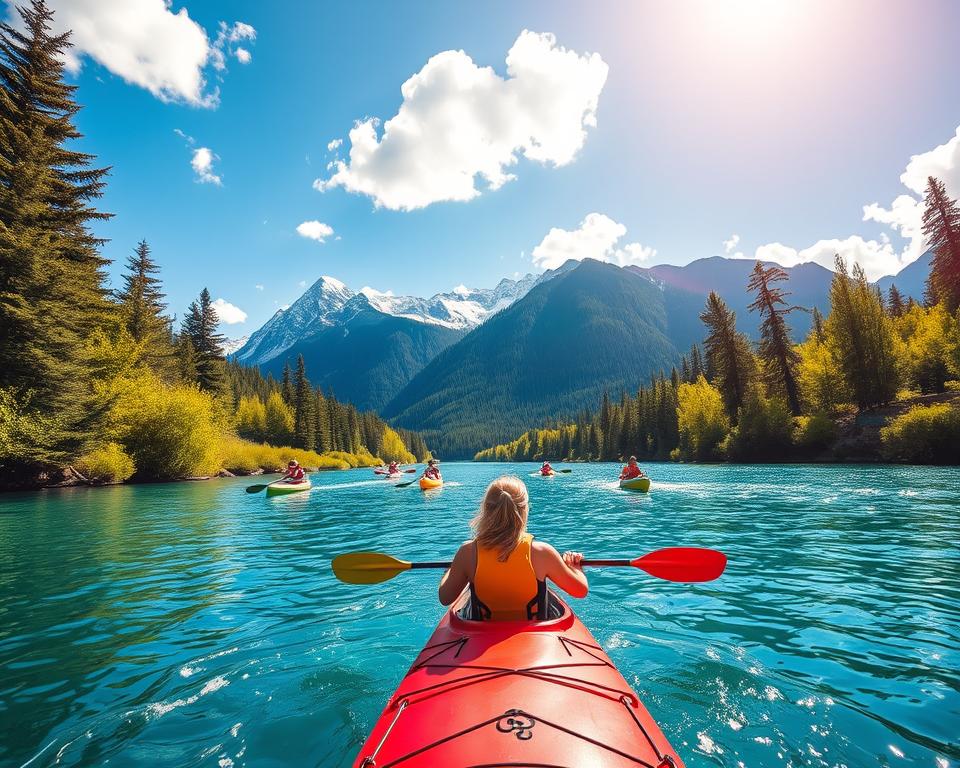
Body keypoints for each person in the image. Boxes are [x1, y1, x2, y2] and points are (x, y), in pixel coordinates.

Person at [438, 476, 588, 621]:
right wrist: (575, 568)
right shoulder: (542, 553)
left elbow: (445, 598)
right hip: (534, 636)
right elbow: (580, 591)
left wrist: (451, 570)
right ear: (524, 510)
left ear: (485, 509)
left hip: (483, 635)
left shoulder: (467, 553)